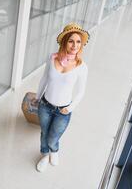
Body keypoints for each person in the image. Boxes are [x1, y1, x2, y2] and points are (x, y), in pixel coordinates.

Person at [32, 22, 89, 172]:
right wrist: (37, 97)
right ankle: (44, 155)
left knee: (53, 137)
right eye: (71, 41)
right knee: (44, 132)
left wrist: (70, 108)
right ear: (64, 41)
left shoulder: (81, 66)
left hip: (63, 111)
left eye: (78, 42)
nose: (75, 45)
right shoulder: (52, 59)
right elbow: (44, 79)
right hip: (45, 105)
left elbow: (81, 91)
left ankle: (54, 150)